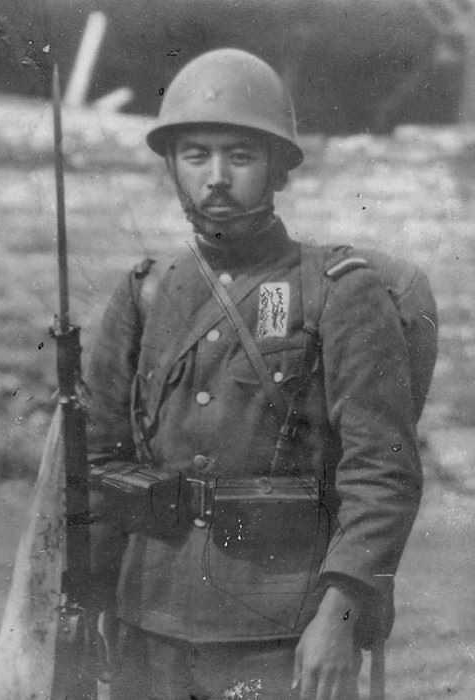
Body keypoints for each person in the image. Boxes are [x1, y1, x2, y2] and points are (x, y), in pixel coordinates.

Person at [86, 48, 428, 700]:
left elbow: (381, 474)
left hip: (280, 630)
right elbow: (101, 463)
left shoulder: (336, 293)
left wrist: (339, 614)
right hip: (145, 623)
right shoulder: (147, 292)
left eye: (240, 157)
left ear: (277, 169)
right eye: (196, 156)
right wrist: (90, 602)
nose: (217, 178)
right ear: (172, 168)